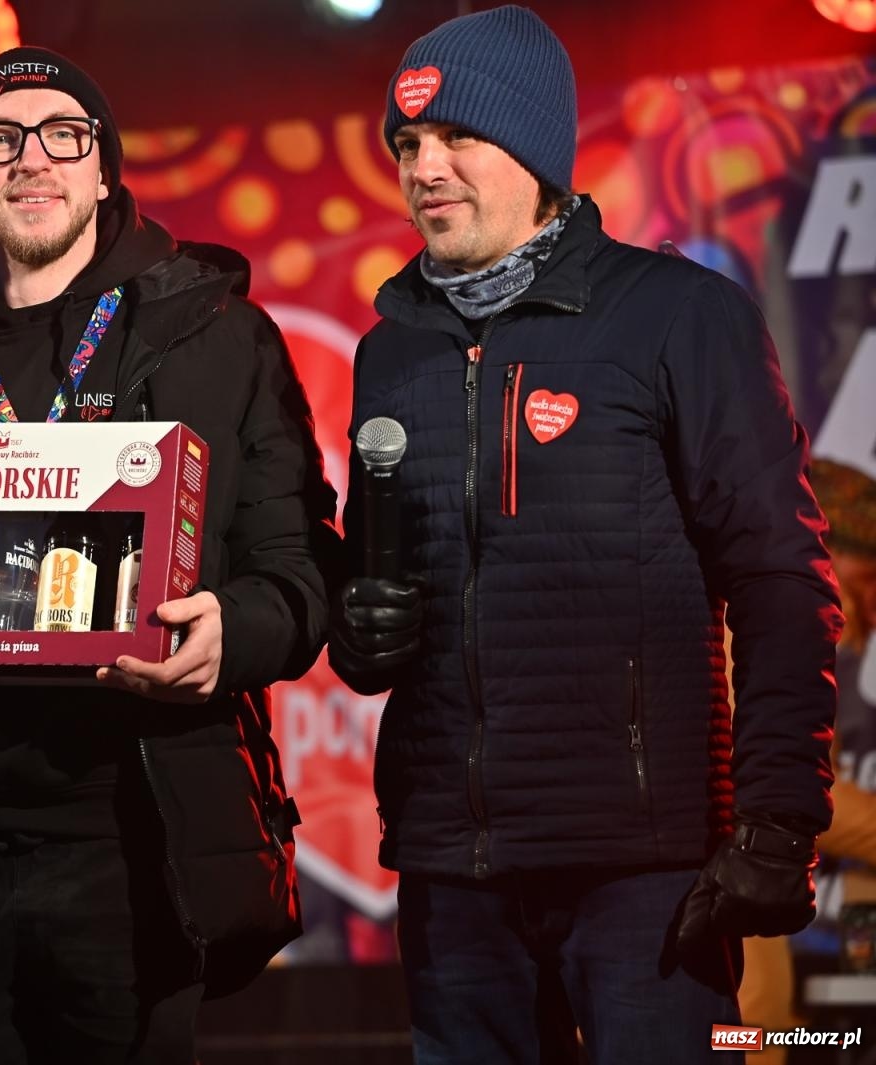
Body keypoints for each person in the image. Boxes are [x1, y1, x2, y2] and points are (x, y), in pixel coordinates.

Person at [0, 46, 334, 1064]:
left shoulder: (220, 340)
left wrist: (232, 635)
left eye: (61, 137)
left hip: (134, 843)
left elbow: (300, 571)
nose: (30, 160)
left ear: (103, 169)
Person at [327, 6, 843, 1063]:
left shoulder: (676, 317)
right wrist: (359, 630)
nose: (424, 168)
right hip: (450, 873)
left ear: (535, 149)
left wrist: (777, 821)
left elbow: (781, 575)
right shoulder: (390, 351)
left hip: (643, 875)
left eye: (456, 137)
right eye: (406, 145)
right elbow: (376, 593)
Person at [739, 458, 876, 1064]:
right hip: (736, 996)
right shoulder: (762, 615)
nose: (871, 605)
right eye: (868, 578)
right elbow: (795, 786)